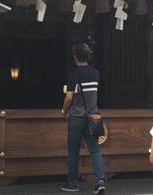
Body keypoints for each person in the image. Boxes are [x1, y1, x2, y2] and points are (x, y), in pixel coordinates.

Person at [61, 43, 105, 194]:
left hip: (76, 118)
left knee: (73, 151)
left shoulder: (73, 75)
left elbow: (68, 97)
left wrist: (63, 110)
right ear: (88, 57)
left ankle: (73, 183)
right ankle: (100, 180)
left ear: (75, 57)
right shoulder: (96, 74)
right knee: (94, 150)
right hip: (92, 117)